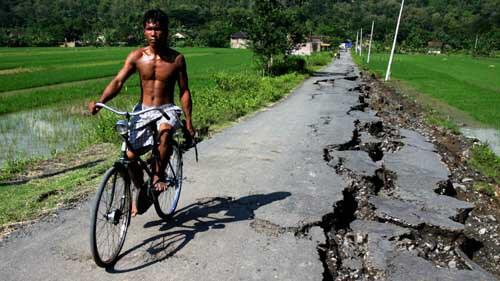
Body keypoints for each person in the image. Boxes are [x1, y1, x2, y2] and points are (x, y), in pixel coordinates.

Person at [88, 9, 195, 216]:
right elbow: (118, 81)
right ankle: (141, 191)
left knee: (164, 132)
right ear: (144, 31)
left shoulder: (176, 59)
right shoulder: (137, 56)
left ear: (166, 31)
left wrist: (189, 121)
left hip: (166, 109)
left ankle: (159, 176)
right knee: (128, 157)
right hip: (143, 111)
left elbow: (184, 90)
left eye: (158, 29)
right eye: (149, 29)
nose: (154, 33)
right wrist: (101, 102)